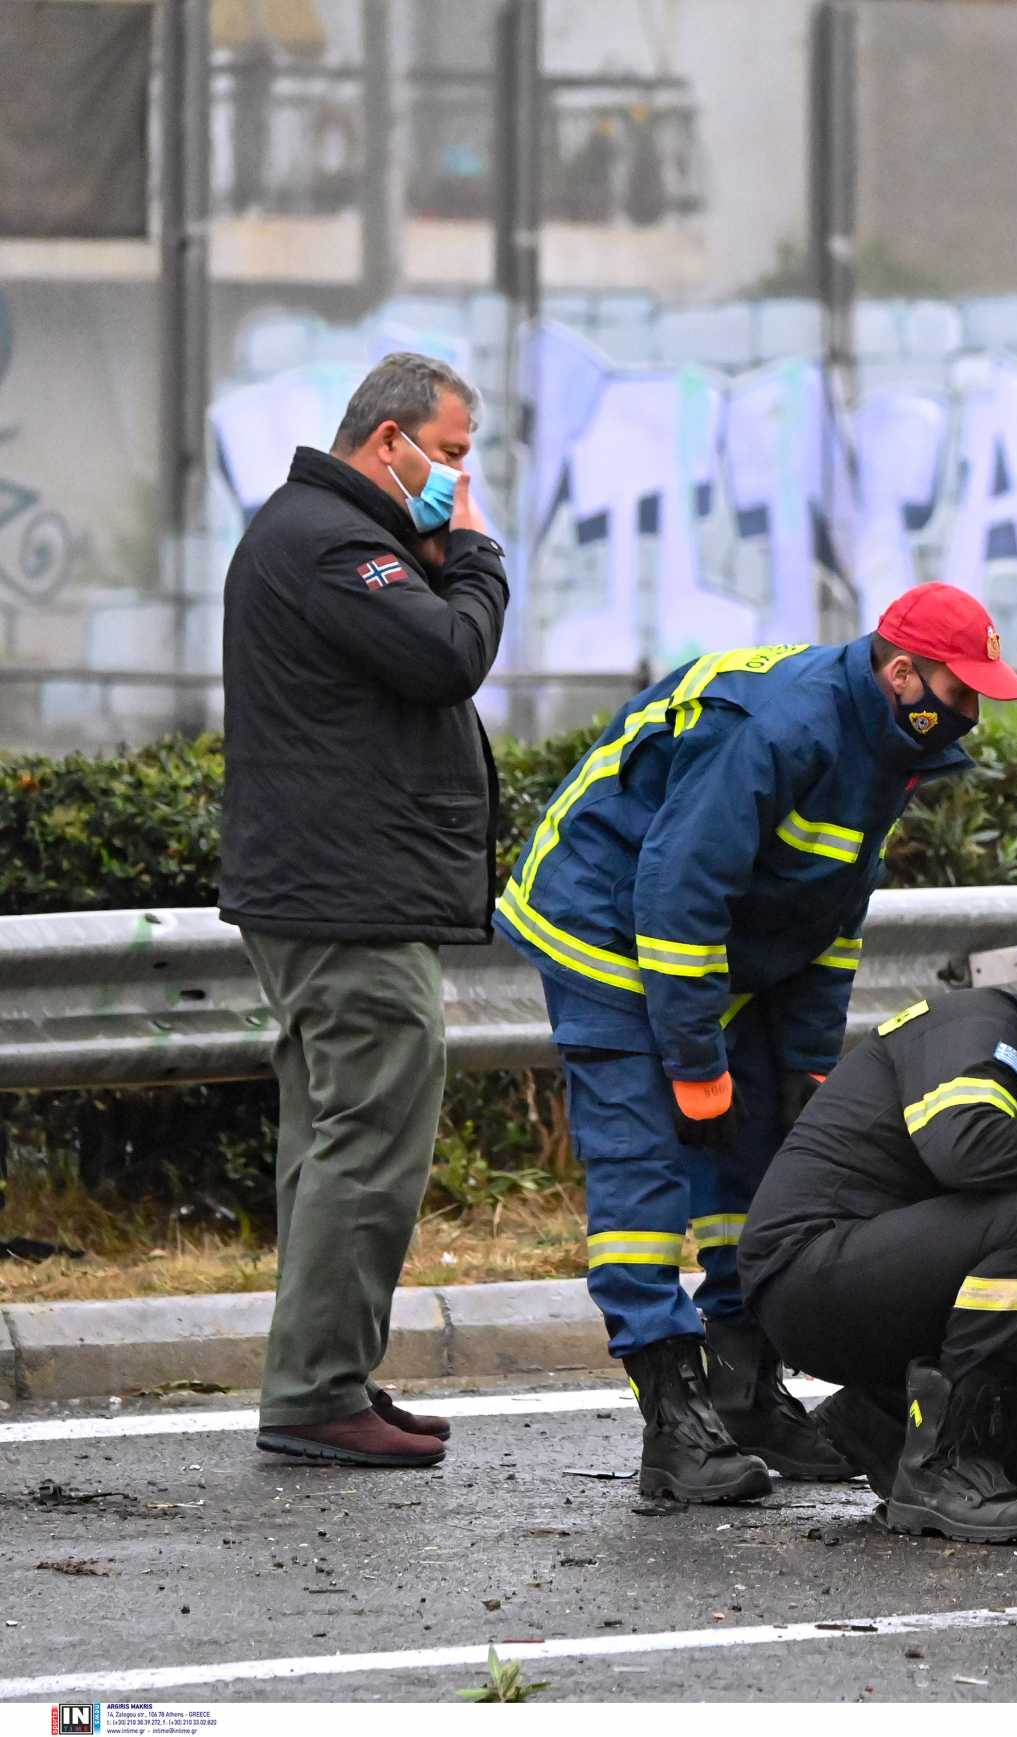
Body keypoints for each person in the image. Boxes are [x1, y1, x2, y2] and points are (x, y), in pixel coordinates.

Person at [498, 583, 1017, 1503]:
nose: (971, 714)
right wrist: (697, 1064)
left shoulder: (888, 747)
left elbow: (826, 919)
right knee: (644, 1173)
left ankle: (743, 1387)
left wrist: (806, 1065)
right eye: (959, 689)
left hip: (713, 950)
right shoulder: (780, 726)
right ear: (901, 672)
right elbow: (676, 890)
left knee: (756, 1159)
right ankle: (672, 1419)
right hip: (610, 926)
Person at [218, 352, 508, 1469]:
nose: (456, 484)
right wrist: (474, 557)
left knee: (329, 1136)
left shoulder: (320, 535)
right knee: (371, 1132)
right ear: (385, 441)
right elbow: (448, 657)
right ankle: (313, 1393)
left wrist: (434, 555)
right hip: (344, 895)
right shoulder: (334, 543)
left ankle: (326, 1376)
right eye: (446, 457)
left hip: (325, 886)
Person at [738, 976, 1017, 1544]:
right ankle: (942, 1467)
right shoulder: (985, 1026)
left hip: (839, 1270)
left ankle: (885, 1422)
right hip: (806, 1272)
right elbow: (966, 1148)